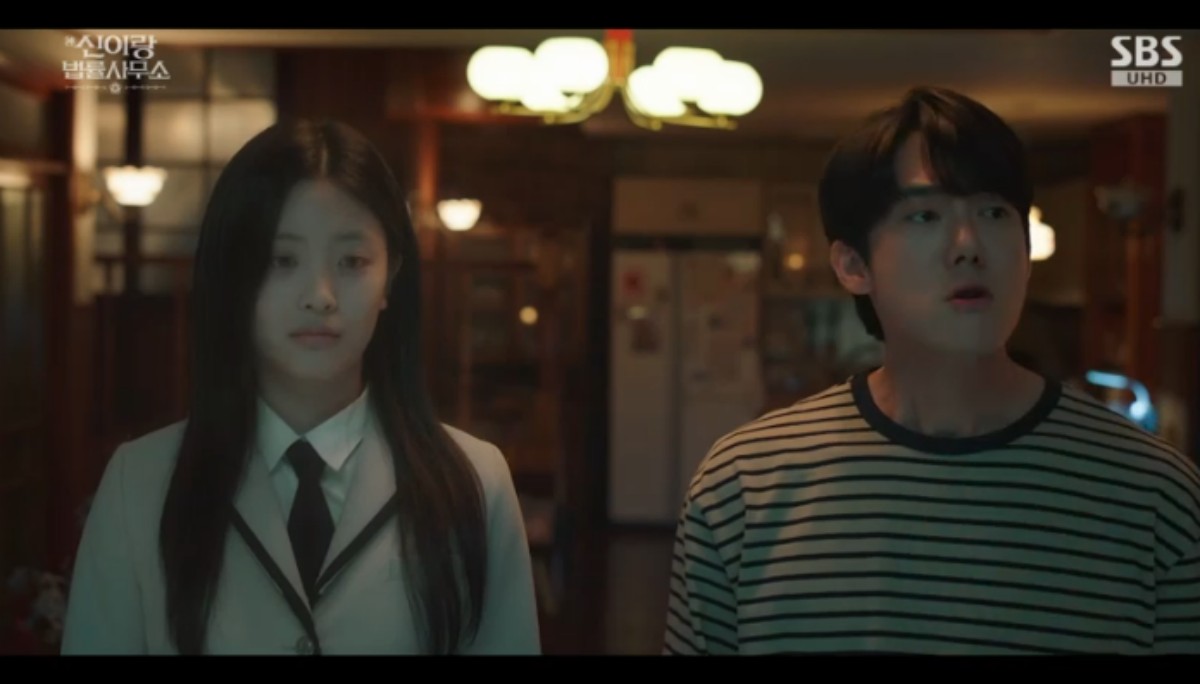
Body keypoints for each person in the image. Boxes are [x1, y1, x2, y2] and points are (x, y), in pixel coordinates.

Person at [663, 86, 1200, 655]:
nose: (969, 246)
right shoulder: (744, 486)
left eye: (994, 212)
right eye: (925, 215)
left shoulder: (1155, 497)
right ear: (853, 264)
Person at [61, 120, 542, 655]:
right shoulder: (140, 484)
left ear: (391, 277)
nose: (320, 296)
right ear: (234, 278)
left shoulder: (474, 481)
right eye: (281, 260)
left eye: (352, 262)